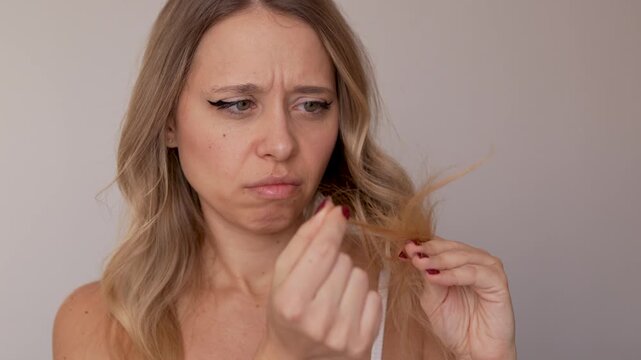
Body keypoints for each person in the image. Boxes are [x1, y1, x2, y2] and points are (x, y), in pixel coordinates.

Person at [53, 1, 516, 359]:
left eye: (311, 105)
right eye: (236, 104)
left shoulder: (416, 297)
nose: (281, 143)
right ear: (168, 121)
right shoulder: (97, 325)